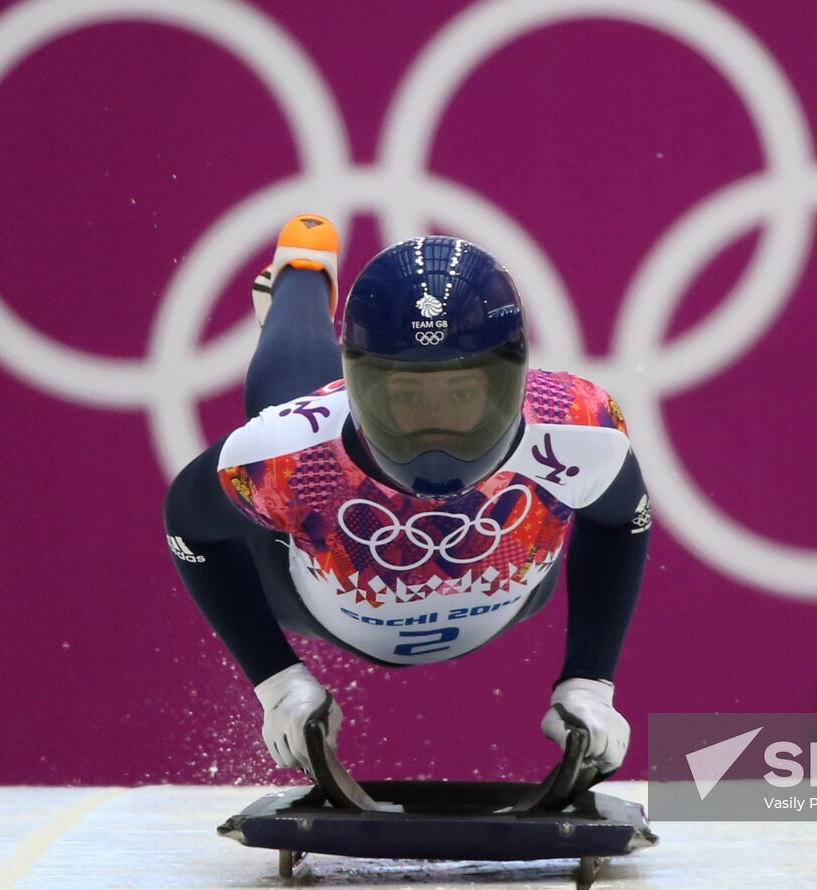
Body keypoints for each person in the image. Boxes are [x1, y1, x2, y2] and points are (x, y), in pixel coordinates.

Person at [164, 216, 651, 775]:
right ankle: (300, 275)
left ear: (513, 377)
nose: (435, 428)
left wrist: (590, 682)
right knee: (282, 417)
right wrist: (278, 682)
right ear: (357, 384)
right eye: (406, 396)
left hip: (486, 591)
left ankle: (305, 280)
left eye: (463, 392)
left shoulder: (577, 427)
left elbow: (621, 523)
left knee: (286, 439)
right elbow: (186, 524)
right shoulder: (286, 454)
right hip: (304, 591)